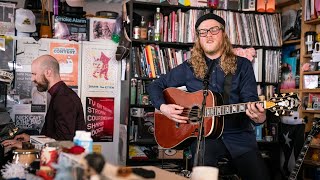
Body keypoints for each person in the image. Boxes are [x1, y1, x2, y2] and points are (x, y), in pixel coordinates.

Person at [147, 13, 270, 180]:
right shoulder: (189, 67)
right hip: (204, 137)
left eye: (214, 30)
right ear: (198, 38)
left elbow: (251, 103)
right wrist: (164, 108)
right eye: (203, 32)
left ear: (224, 34)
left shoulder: (242, 65)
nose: (208, 35)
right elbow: (155, 85)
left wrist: (259, 117)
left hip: (239, 135)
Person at [2, 55, 86, 148]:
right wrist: (32, 138)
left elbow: (63, 143)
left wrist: (27, 145)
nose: (32, 79)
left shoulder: (64, 98)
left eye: (34, 74)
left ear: (48, 72)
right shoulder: (59, 95)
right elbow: (54, 136)